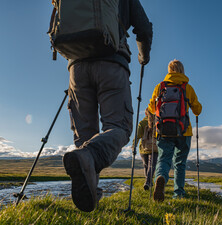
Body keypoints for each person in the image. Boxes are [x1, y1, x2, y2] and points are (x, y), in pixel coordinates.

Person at [62, 0, 153, 212]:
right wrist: (143, 56)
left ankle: (90, 199)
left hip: (76, 65)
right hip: (112, 61)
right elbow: (144, 28)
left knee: (85, 136)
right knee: (119, 127)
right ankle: (89, 161)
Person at [148, 59, 202, 201]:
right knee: (180, 163)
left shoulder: (160, 87)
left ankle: (161, 178)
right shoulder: (187, 88)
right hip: (184, 132)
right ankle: (179, 194)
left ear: (169, 71)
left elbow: (152, 108)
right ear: (182, 70)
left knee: (164, 159)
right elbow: (197, 110)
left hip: (163, 130)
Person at [133, 108, 158, 190]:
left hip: (143, 148)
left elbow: (137, 135)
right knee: (152, 166)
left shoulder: (142, 123)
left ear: (145, 114)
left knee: (146, 166)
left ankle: (148, 182)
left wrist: (134, 145)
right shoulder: (157, 122)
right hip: (154, 148)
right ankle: (148, 182)